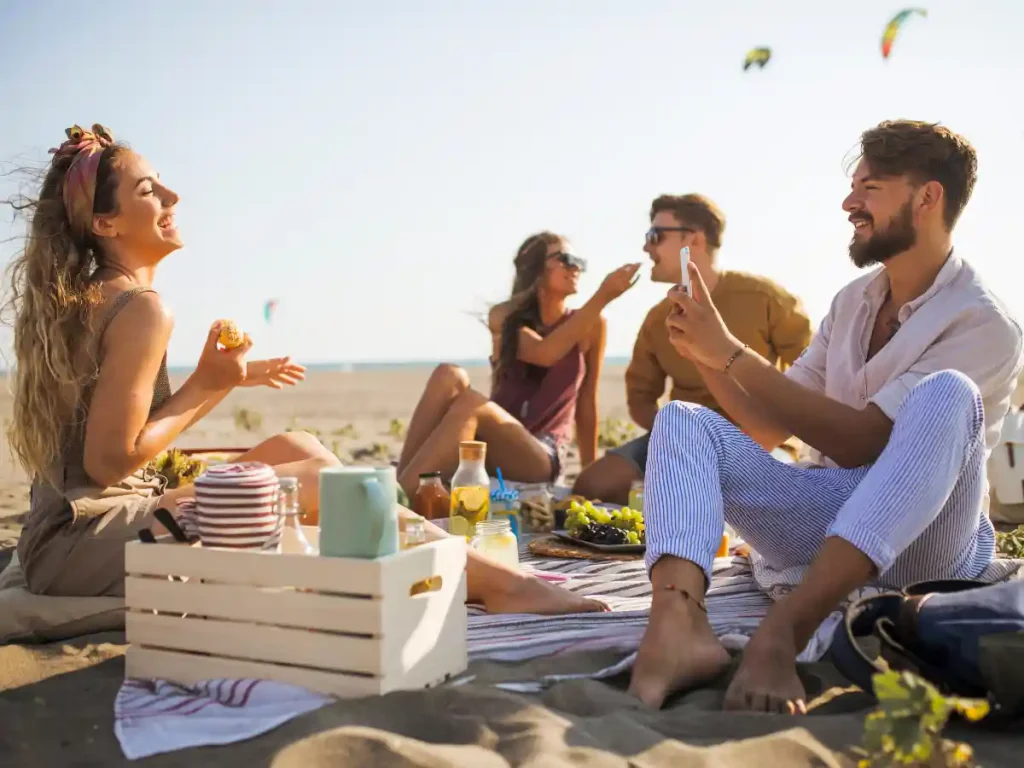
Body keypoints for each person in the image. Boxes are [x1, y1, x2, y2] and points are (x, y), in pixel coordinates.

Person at [2, 124, 603, 616]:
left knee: (299, 445)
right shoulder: (141, 308)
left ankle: (462, 572)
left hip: (70, 536)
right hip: (87, 547)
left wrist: (222, 383)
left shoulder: (93, 297)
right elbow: (112, 462)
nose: (173, 198)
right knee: (321, 478)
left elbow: (108, 443)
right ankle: (496, 584)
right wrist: (211, 384)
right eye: (148, 191)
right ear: (105, 224)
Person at [627, 120, 1024, 713]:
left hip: (926, 541)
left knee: (946, 393)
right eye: (853, 186)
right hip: (826, 517)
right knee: (683, 419)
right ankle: (678, 624)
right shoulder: (852, 302)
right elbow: (767, 426)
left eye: (871, 187)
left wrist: (731, 350)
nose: (849, 202)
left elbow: (862, 439)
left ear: (927, 197)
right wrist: (707, 357)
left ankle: (785, 630)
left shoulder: (982, 321)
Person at [573, 194, 812, 504]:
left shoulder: (765, 297)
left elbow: (812, 372)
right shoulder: (658, 318)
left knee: (763, 494)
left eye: (655, 236)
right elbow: (641, 397)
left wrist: (766, 428)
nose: (647, 247)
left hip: (757, 438)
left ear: (694, 239)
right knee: (593, 484)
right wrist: (675, 443)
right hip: (684, 436)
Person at [395, 232, 640, 498]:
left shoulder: (592, 324)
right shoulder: (504, 317)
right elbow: (545, 353)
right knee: (448, 375)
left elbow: (587, 400)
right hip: (495, 440)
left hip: (540, 454)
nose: (575, 267)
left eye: (579, 261)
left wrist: (589, 477)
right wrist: (603, 295)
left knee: (470, 405)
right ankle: (399, 487)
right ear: (535, 268)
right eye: (566, 259)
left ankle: (398, 501)